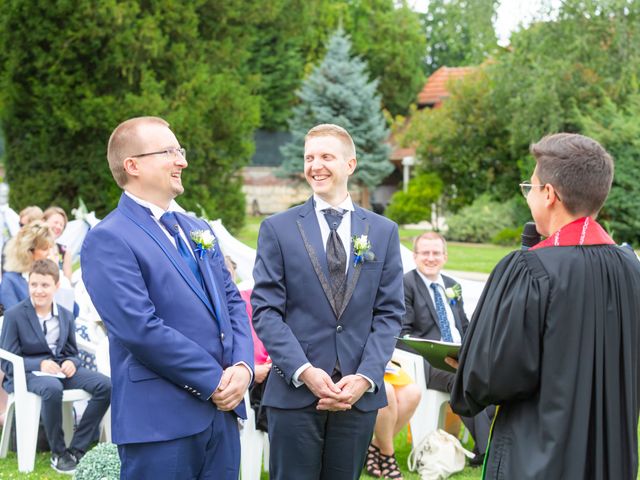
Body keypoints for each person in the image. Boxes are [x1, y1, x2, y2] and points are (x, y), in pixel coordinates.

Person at [450, 133, 640, 479]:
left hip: (539, 454)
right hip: (611, 454)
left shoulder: (530, 269)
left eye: (531, 187)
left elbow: (490, 376)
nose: (529, 196)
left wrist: (465, 366)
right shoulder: (632, 269)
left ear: (549, 194)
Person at [81, 116, 254, 479]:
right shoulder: (110, 238)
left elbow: (231, 301)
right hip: (160, 422)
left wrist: (242, 367)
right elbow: (139, 328)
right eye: (169, 152)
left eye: (180, 150)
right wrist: (214, 381)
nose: (182, 161)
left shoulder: (197, 229)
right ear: (133, 166)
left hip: (221, 416)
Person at [251, 123, 405, 480]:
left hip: (356, 395)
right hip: (294, 394)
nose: (315, 165)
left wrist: (366, 377)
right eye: (309, 157)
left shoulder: (382, 231)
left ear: (350, 164)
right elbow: (266, 311)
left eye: (325, 156)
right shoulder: (278, 228)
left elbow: (389, 314)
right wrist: (304, 371)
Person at [0, 259, 111, 474]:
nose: (39, 291)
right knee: (52, 387)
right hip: (26, 373)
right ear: (28, 285)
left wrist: (71, 362)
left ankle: (77, 449)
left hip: (60, 370)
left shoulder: (65, 315)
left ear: (56, 286)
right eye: (34, 285)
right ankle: (58, 453)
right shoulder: (14, 315)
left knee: (106, 386)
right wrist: (39, 363)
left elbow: (72, 352)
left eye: (44, 285)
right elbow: (7, 360)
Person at [399, 232, 493, 466]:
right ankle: (486, 449)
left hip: (460, 355)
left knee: (495, 374)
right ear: (415, 256)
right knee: (464, 379)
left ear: (444, 256)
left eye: (436, 253)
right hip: (430, 362)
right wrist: (435, 352)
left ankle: (495, 439)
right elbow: (402, 334)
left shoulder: (452, 286)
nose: (431, 258)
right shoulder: (406, 285)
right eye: (425, 253)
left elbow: (465, 327)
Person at [365, 361, 421, 479]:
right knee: (386, 391)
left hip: (384, 364)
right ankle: (387, 455)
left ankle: (374, 447)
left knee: (413, 393)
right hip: (362, 369)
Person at [1, 220, 56, 310]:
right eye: (45, 249)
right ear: (29, 252)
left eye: (51, 248)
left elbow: (73, 310)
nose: (50, 253)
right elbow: (13, 317)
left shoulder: (51, 275)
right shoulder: (10, 280)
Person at [43, 206, 73, 281]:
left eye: (61, 225)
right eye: (56, 222)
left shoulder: (65, 251)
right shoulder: (33, 246)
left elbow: (68, 281)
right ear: (44, 221)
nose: (58, 227)